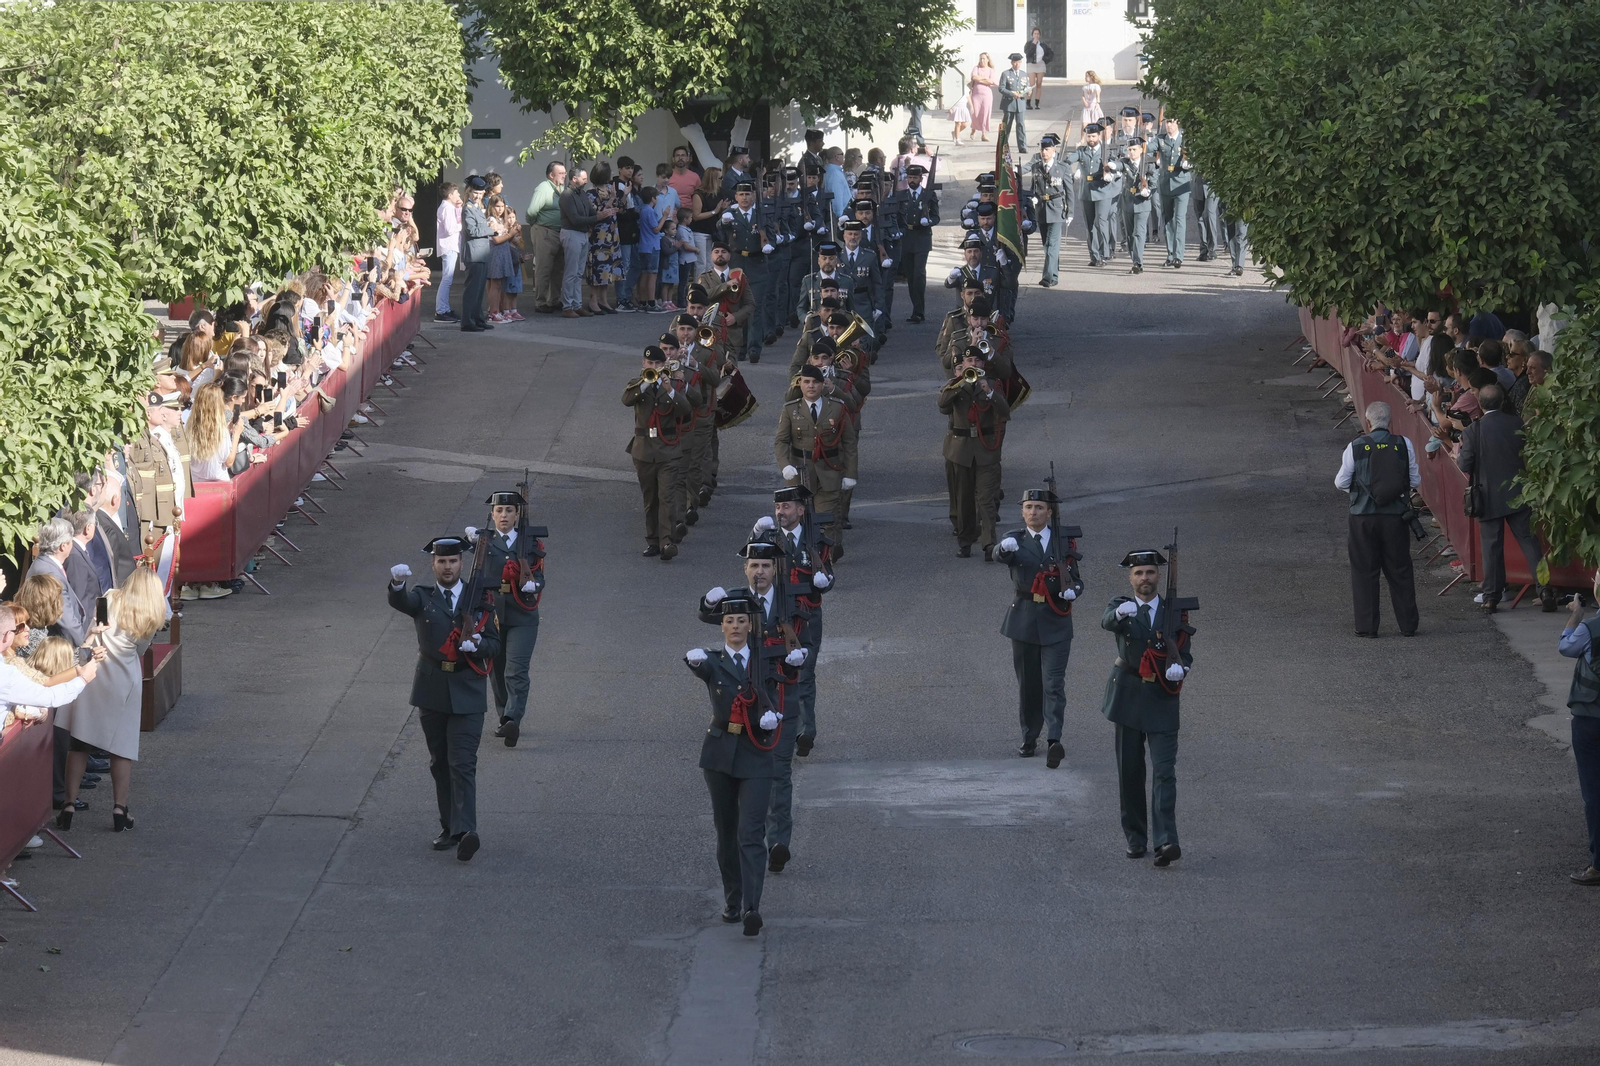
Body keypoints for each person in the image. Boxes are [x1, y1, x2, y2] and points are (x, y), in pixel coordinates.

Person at [699, 540, 816, 874]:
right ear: (745, 570)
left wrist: (800, 656)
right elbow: (709, 617)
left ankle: (778, 840)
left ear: (775, 569)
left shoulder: (790, 600)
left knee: (779, 768)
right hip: (744, 704)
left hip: (781, 696)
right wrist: (708, 602)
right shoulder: (737, 601)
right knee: (749, 775)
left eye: (766, 566)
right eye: (754, 566)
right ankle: (752, 837)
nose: (760, 572)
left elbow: (806, 641)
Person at [387, 537, 502, 862]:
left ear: (461, 564)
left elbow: (495, 645)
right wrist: (397, 584)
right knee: (440, 763)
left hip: (468, 691)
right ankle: (450, 827)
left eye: (453, 561)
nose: (448, 567)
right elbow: (401, 602)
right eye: (442, 562)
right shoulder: (423, 597)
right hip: (432, 690)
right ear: (434, 565)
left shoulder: (480, 598)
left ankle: (467, 832)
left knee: (462, 763)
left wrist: (477, 646)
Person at [684, 590, 786, 936]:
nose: (736, 627)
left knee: (751, 833)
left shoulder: (765, 658)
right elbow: (698, 666)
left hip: (757, 753)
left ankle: (751, 906)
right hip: (720, 755)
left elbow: (783, 682)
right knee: (727, 834)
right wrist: (693, 660)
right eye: (729, 621)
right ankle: (733, 897)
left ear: (750, 624)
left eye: (742, 621)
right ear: (722, 626)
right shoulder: (714, 660)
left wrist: (775, 714)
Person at [53, 567, 165, 833]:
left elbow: (95, 628)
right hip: (124, 681)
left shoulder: (111, 597)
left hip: (95, 675)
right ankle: (119, 808)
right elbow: (140, 649)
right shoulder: (149, 616)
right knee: (122, 747)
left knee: (79, 743)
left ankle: (68, 804)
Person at [1102, 549, 1193, 866]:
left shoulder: (1174, 613)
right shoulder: (1120, 606)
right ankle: (1136, 838)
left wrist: (1182, 668)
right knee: (1130, 773)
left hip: (1162, 699)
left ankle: (1166, 841)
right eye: (1139, 573)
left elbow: (1186, 651)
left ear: (1158, 576)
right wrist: (1120, 615)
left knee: (1164, 774)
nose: (1145, 578)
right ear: (1131, 578)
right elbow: (1105, 621)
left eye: (1151, 572)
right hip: (1127, 697)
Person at [993, 490, 1081, 765]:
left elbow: (1076, 579)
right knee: (1029, 685)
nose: (1033, 512)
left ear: (1049, 513)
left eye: (1039, 507)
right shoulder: (1015, 540)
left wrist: (1073, 591)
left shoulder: (1063, 540)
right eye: (1029, 507)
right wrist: (1001, 548)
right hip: (1024, 620)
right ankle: (1029, 737)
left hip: (1056, 620)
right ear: (1022, 512)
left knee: (1054, 683)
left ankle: (1054, 739)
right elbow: (1000, 555)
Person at [750, 486, 835, 756]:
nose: (780, 512)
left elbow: (828, 576)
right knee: (776, 672)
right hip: (774, 616)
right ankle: (777, 727)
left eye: (786, 507)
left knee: (805, 672)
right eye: (777, 508)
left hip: (807, 615)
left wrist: (824, 581)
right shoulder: (769, 538)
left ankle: (805, 731)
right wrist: (754, 534)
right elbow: (752, 564)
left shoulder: (817, 541)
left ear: (800, 510)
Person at [464, 491, 545, 748]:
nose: (504, 516)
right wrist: (469, 540)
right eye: (499, 511)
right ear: (492, 514)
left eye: (509, 511)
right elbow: (466, 565)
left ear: (516, 514)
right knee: (497, 672)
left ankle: (513, 718)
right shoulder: (483, 540)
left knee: (516, 670)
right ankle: (504, 716)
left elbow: (540, 574)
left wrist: (534, 585)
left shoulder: (529, 542)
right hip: (492, 616)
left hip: (523, 615)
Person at [1334, 402, 1421, 637]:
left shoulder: (1355, 446)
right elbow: (1414, 480)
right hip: (1396, 517)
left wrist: (1359, 493)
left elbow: (1340, 482)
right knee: (1400, 569)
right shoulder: (1404, 444)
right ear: (1389, 421)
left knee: (1364, 571)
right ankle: (1408, 625)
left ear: (1368, 422)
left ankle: (1367, 627)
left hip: (1362, 517)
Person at [1457, 384, 1544, 612]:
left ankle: (1492, 597)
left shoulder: (1473, 431)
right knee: (1529, 542)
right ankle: (1545, 589)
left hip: (1487, 496)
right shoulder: (1517, 423)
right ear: (1502, 400)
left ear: (1481, 404)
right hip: (1519, 491)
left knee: (1492, 547)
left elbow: (1464, 464)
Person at [775, 366, 857, 560]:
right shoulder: (790, 409)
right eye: (806, 382)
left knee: (826, 516)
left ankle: (828, 551)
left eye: (815, 382)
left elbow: (849, 443)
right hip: (799, 470)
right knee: (797, 516)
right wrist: (785, 465)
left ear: (822, 385)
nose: (811, 386)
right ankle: (800, 553)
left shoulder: (837, 407)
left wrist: (850, 474)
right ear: (800, 384)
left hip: (829, 469)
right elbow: (781, 441)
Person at [940, 348, 1011, 559]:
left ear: (983, 364)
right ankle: (965, 541)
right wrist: (959, 382)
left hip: (986, 449)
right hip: (960, 450)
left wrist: (989, 392)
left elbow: (1005, 411)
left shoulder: (993, 383)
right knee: (964, 499)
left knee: (986, 499)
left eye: (977, 361)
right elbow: (942, 406)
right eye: (969, 360)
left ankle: (989, 544)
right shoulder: (956, 383)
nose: (973, 364)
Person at [624, 346, 693, 560]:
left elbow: (686, 410)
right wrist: (646, 383)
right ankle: (653, 541)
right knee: (650, 499)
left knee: (666, 497)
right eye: (649, 363)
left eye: (657, 363)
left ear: (664, 364)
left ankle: (667, 543)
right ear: (643, 364)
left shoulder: (672, 385)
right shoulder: (636, 384)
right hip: (643, 451)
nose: (653, 367)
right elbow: (626, 400)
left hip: (668, 451)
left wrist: (670, 390)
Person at [1559, 577, 1600, 885]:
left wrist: (1575, 613)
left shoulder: (1589, 629)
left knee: (1595, 793)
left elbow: (1566, 647)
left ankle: (1598, 864)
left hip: (1591, 720)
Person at [27, 518, 90, 646]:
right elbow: (67, 622)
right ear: (63, 546)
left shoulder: (44, 563)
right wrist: (84, 648)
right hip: (57, 647)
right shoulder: (51, 573)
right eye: (71, 540)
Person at [559, 167, 602, 319]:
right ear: (574, 179)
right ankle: (567, 306)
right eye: (583, 178)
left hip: (583, 234)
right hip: (572, 233)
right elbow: (575, 219)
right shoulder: (567, 195)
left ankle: (577, 305)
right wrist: (597, 217)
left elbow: (590, 212)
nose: (586, 181)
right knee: (571, 272)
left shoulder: (581, 193)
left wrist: (598, 215)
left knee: (578, 273)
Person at [525, 162, 566, 315]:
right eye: (560, 173)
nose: (564, 175)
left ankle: (553, 300)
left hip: (559, 232)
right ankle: (541, 302)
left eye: (564, 173)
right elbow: (531, 211)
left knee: (558, 268)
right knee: (544, 268)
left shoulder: (561, 189)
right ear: (551, 175)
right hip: (545, 231)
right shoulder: (543, 188)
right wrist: (535, 225)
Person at [899, 164, 938, 322]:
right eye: (910, 177)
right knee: (910, 275)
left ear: (921, 179)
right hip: (907, 237)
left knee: (919, 274)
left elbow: (936, 216)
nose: (912, 180)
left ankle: (919, 311)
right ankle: (916, 308)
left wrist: (928, 221)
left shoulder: (929, 195)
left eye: (915, 178)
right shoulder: (902, 195)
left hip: (922, 238)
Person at [1030, 133, 1070, 286]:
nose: (1044, 153)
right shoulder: (1036, 167)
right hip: (1041, 209)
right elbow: (1033, 188)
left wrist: (1070, 212)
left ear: (1054, 150)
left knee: (1052, 245)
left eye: (1047, 150)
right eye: (1042, 150)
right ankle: (1053, 274)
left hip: (1057, 210)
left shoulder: (1062, 168)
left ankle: (1048, 277)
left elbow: (1069, 191)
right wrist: (1033, 198)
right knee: (1047, 245)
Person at [585, 162, 623, 315]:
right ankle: (593, 301)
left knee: (608, 268)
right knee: (598, 269)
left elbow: (620, 207)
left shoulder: (609, 190)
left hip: (612, 234)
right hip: (598, 236)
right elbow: (596, 213)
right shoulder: (591, 193)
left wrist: (622, 195)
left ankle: (603, 300)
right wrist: (611, 199)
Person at [1157, 117, 1193, 268]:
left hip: (1182, 184)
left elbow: (1194, 153)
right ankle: (1170, 254)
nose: (1168, 125)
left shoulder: (1186, 139)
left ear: (1178, 122)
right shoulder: (1160, 140)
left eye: (1171, 122)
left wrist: (1190, 161)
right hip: (1166, 184)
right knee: (1168, 220)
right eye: (1166, 122)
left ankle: (1179, 255)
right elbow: (1148, 147)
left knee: (1179, 219)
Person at [458, 176, 493, 332]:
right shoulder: (468, 208)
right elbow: (472, 231)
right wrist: (493, 229)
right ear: (468, 191)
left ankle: (478, 318)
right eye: (474, 193)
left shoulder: (477, 208)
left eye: (480, 193)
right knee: (472, 290)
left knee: (479, 291)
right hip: (474, 254)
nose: (477, 196)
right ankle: (468, 322)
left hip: (481, 253)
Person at [1119, 137, 1158, 274]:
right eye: (1129, 150)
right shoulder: (1125, 163)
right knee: (1129, 235)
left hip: (1142, 203)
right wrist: (1111, 167)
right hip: (1128, 201)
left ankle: (1138, 262)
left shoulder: (1149, 164)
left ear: (1141, 150)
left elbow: (1154, 183)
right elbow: (1119, 166)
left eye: (1134, 149)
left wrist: (1148, 192)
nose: (1131, 152)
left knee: (1139, 233)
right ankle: (1135, 259)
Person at [434, 182, 463, 321]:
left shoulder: (450, 207)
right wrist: (462, 225)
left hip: (451, 246)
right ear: (450, 195)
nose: (458, 195)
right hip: (449, 246)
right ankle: (441, 310)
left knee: (448, 279)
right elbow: (450, 229)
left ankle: (445, 308)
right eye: (456, 193)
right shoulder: (446, 208)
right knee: (447, 279)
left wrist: (458, 209)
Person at [998, 53, 1030, 154]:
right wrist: (1012, 94)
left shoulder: (1024, 74)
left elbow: (1026, 87)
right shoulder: (1006, 74)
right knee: (1007, 125)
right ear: (1012, 63)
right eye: (1015, 62)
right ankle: (1004, 145)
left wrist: (1028, 91)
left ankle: (1022, 146)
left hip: (1020, 103)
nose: (1017, 64)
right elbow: (1001, 88)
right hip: (1009, 104)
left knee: (1021, 125)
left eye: (1019, 62)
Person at [968, 54, 997, 141]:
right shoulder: (976, 68)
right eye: (980, 59)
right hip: (976, 94)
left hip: (987, 95)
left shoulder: (991, 70)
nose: (982, 60)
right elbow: (974, 77)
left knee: (985, 113)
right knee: (975, 113)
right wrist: (985, 79)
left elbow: (992, 81)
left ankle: (983, 133)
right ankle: (973, 129)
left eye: (984, 59)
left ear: (988, 59)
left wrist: (980, 79)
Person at [1023, 28, 1053, 109]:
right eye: (1035, 34)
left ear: (1040, 35)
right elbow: (1028, 53)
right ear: (1032, 35)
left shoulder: (1043, 44)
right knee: (1032, 84)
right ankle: (1028, 102)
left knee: (1039, 84)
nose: (1036, 35)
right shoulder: (1029, 44)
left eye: (1038, 34)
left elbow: (1050, 53)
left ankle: (1037, 103)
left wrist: (1045, 59)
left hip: (1041, 65)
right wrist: (1033, 44)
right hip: (1031, 65)